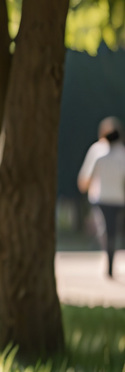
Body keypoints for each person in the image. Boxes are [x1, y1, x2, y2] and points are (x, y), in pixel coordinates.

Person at [78, 117, 125, 278]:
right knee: (112, 231)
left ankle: (109, 262)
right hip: (118, 199)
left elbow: (85, 178)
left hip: (101, 198)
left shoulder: (97, 151)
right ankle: (110, 263)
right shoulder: (122, 154)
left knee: (105, 230)